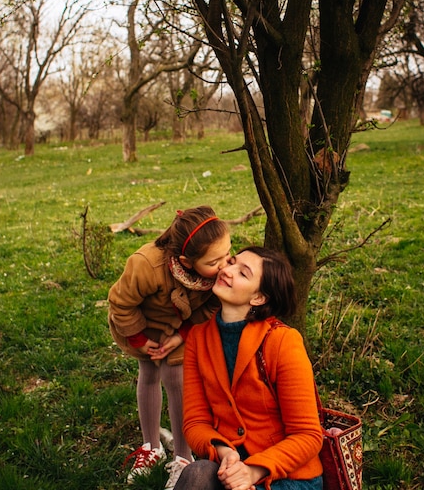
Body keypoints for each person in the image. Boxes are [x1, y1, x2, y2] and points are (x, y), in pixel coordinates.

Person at [175, 246, 323, 490]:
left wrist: (252, 472)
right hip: (230, 468)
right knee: (197, 472)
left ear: (258, 298)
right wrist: (224, 452)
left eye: (243, 273)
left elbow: (307, 435)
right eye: (232, 262)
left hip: (286, 475)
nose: (227, 271)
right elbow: (195, 422)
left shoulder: (282, 341)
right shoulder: (198, 339)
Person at [108, 206, 231, 489]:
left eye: (227, 253)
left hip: (181, 328)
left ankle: (183, 458)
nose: (225, 265)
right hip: (142, 325)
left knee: (176, 379)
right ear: (186, 262)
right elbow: (121, 303)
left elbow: (212, 306)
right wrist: (140, 340)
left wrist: (182, 335)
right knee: (149, 373)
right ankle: (151, 446)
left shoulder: (218, 269)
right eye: (215, 261)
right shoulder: (145, 265)